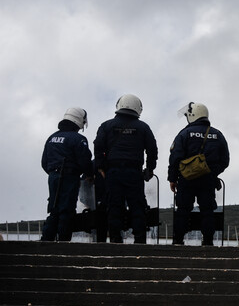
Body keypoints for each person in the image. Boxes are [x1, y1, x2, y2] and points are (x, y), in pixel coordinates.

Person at [94, 94, 158, 244]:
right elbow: (152, 149)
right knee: (137, 206)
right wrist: (150, 168)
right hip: (134, 172)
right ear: (138, 108)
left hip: (113, 172)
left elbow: (98, 146)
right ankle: (140, 240)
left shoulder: (106, 125)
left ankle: (116, 240)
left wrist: (100, 167)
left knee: (114, 206)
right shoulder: (143, 127)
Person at [168, 102, 230, 246]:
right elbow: (225, 160)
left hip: (186, 179)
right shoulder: (217, 134)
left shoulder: (183, 134)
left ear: (192, 115)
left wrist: (173, 178)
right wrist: (212, 172)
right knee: (207, 210)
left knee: (183, 209)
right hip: (208, 179)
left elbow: (175, 158)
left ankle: (178, 240)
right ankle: (208, 241)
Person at [41, 107, 93, 241]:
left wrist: (54, 173)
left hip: (53, 177)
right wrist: (89, 174)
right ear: (80, 121)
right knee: (67, 210)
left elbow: (44, 162)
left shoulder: (52, 138)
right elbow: (85, 161)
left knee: (54, 209)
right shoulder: (78, 139)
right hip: (69, 177)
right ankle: (63, 243)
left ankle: (46, 241)